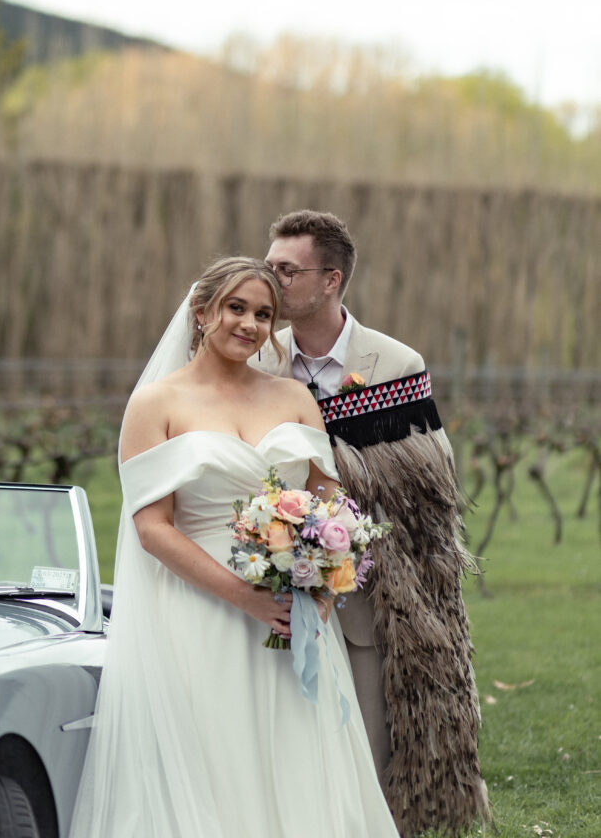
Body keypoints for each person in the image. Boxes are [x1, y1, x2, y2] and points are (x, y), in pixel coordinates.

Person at [69, 256, 400, 838]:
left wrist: (321, 577)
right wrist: (244, 597)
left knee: (298, 753)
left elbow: (328, 501)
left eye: (263, 314)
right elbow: (152, 528)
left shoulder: (294, 397)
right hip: (203, 610)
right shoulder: (156, 405)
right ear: (202, 313)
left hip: (295, 610)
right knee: (216, 754)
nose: (249, 324)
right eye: (236, 308)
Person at [250, 211, 490, 838]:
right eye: (269, 266)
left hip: (368, 603)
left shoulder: (393, 363)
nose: (270, 280)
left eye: (287, 270)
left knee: (369, 762)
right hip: (261, 593)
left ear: (331, 280)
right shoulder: (255, 359)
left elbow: (426, 493)